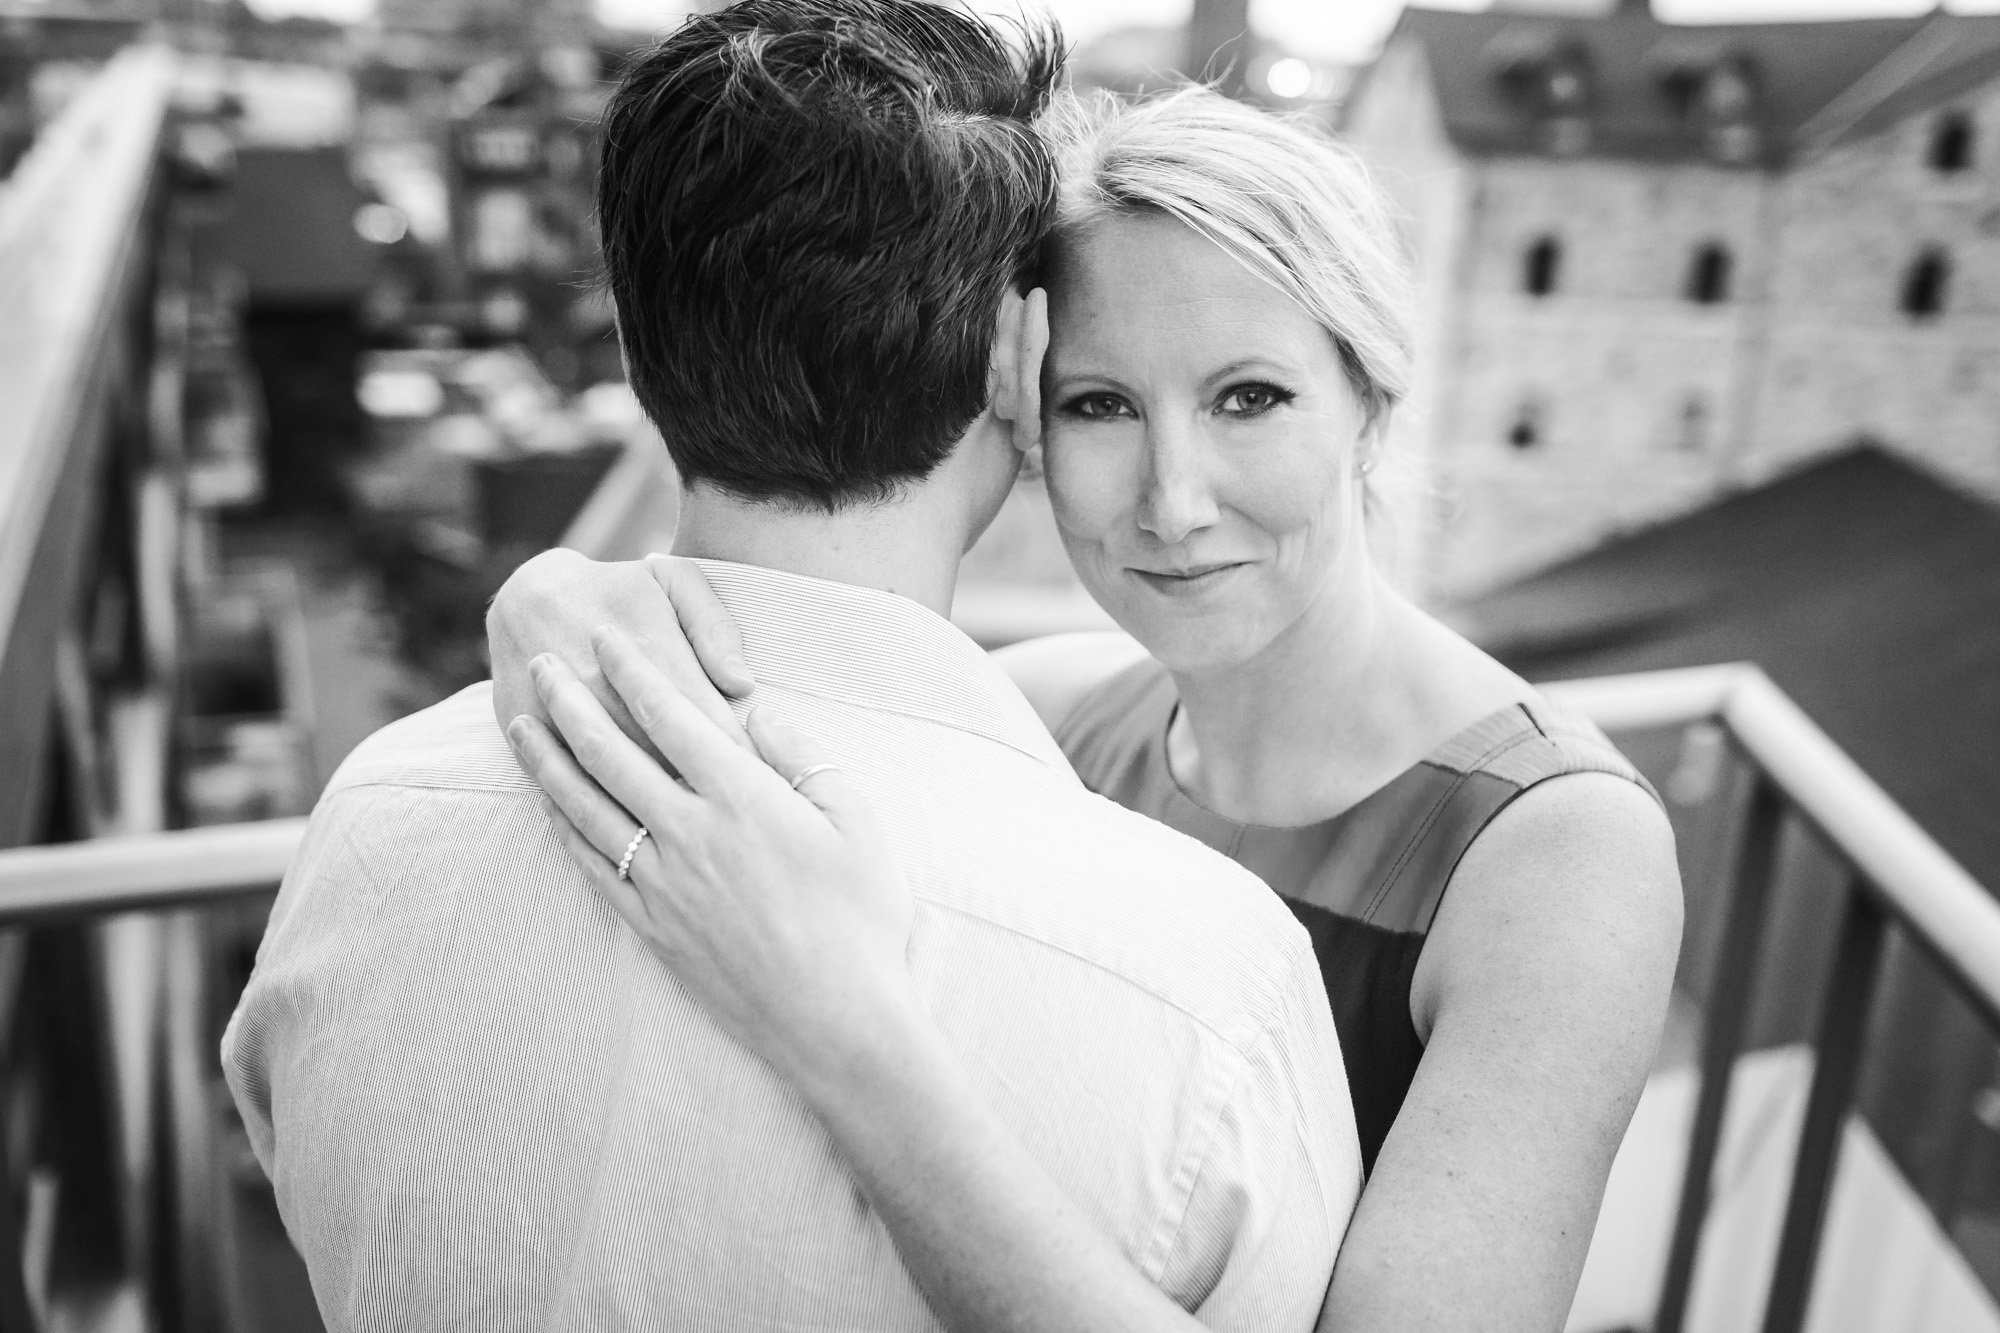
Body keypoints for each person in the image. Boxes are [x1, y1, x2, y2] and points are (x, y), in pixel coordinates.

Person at [221, 8, 1362, 1329]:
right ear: (1012, 357)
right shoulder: (1213, 993)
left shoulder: (368, 823)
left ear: (643, 346)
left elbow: (285, 1153)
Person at [490, 84, 1685, 1332]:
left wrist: (845, 1038)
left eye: (1248, 398)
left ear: (1369, 403)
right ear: (1017, 424)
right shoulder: (1049, 718)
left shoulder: (1559, 856)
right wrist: (550, 597)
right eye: (1098, 405)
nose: (1172, 502)